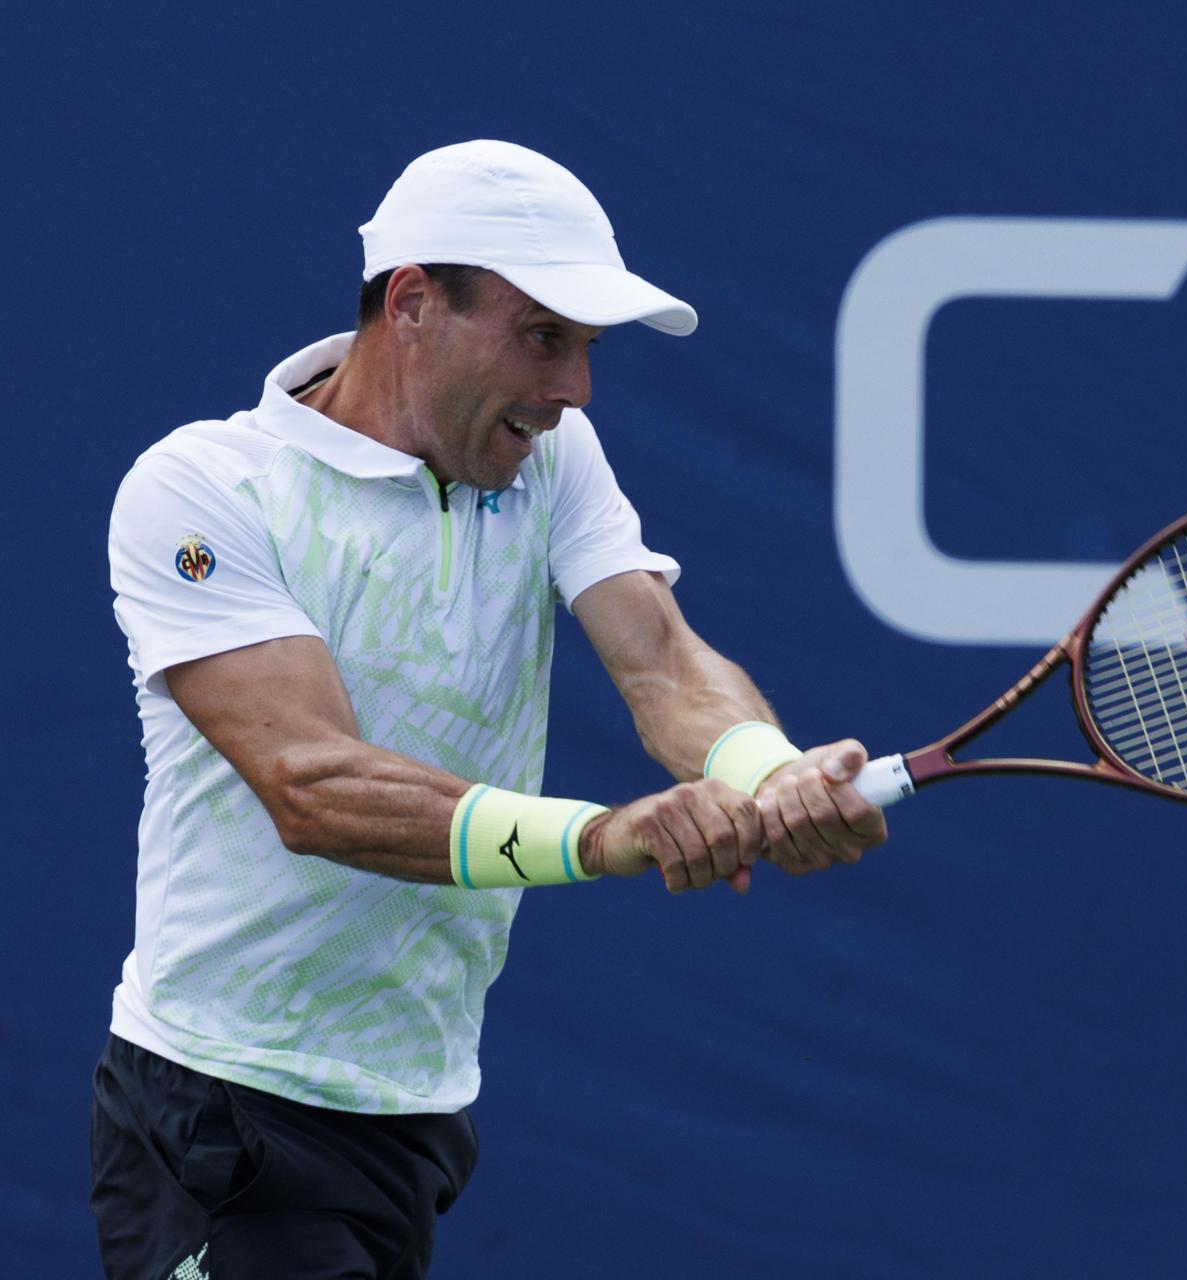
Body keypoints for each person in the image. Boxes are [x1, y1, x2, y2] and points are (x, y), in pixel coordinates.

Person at [91, 139, 887, 1279]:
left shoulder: (552, 461)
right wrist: (607, 835)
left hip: (415, 1106)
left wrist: (770, 772)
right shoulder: (208, 487)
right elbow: (314, 786)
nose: (574, 390)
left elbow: (660, 659)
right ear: (412, 303)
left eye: (587, 349)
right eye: (542, 337)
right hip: (223, 1110)